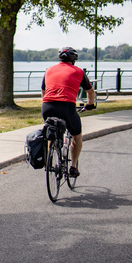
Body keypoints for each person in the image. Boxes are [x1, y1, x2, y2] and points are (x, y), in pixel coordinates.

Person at [41, 47, 96, 177]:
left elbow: (43, 91)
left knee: (51, 131)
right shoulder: (79, 72)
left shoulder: (49, 70)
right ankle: (73, 167)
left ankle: (50, 161)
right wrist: (90, 105)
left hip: (47, 106)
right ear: (74, 60)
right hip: (66, 107)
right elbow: (90, 91)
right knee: (76, 135)